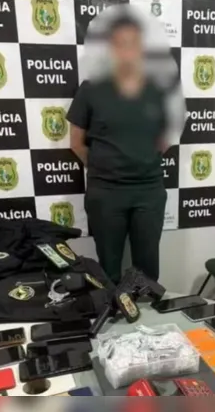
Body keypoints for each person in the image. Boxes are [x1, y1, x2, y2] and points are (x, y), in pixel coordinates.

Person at [66, 14, 170, 284]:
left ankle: (147, 310)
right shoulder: (90, 89)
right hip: (106, 193)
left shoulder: (159, 90)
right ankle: (111, 309)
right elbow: (76, 143)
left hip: (148, 191)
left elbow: (166, 138)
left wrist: (140, 159)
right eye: (120, 44)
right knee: (108, 269)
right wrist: (105, 167)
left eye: (133, 43)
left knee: (148, 270)